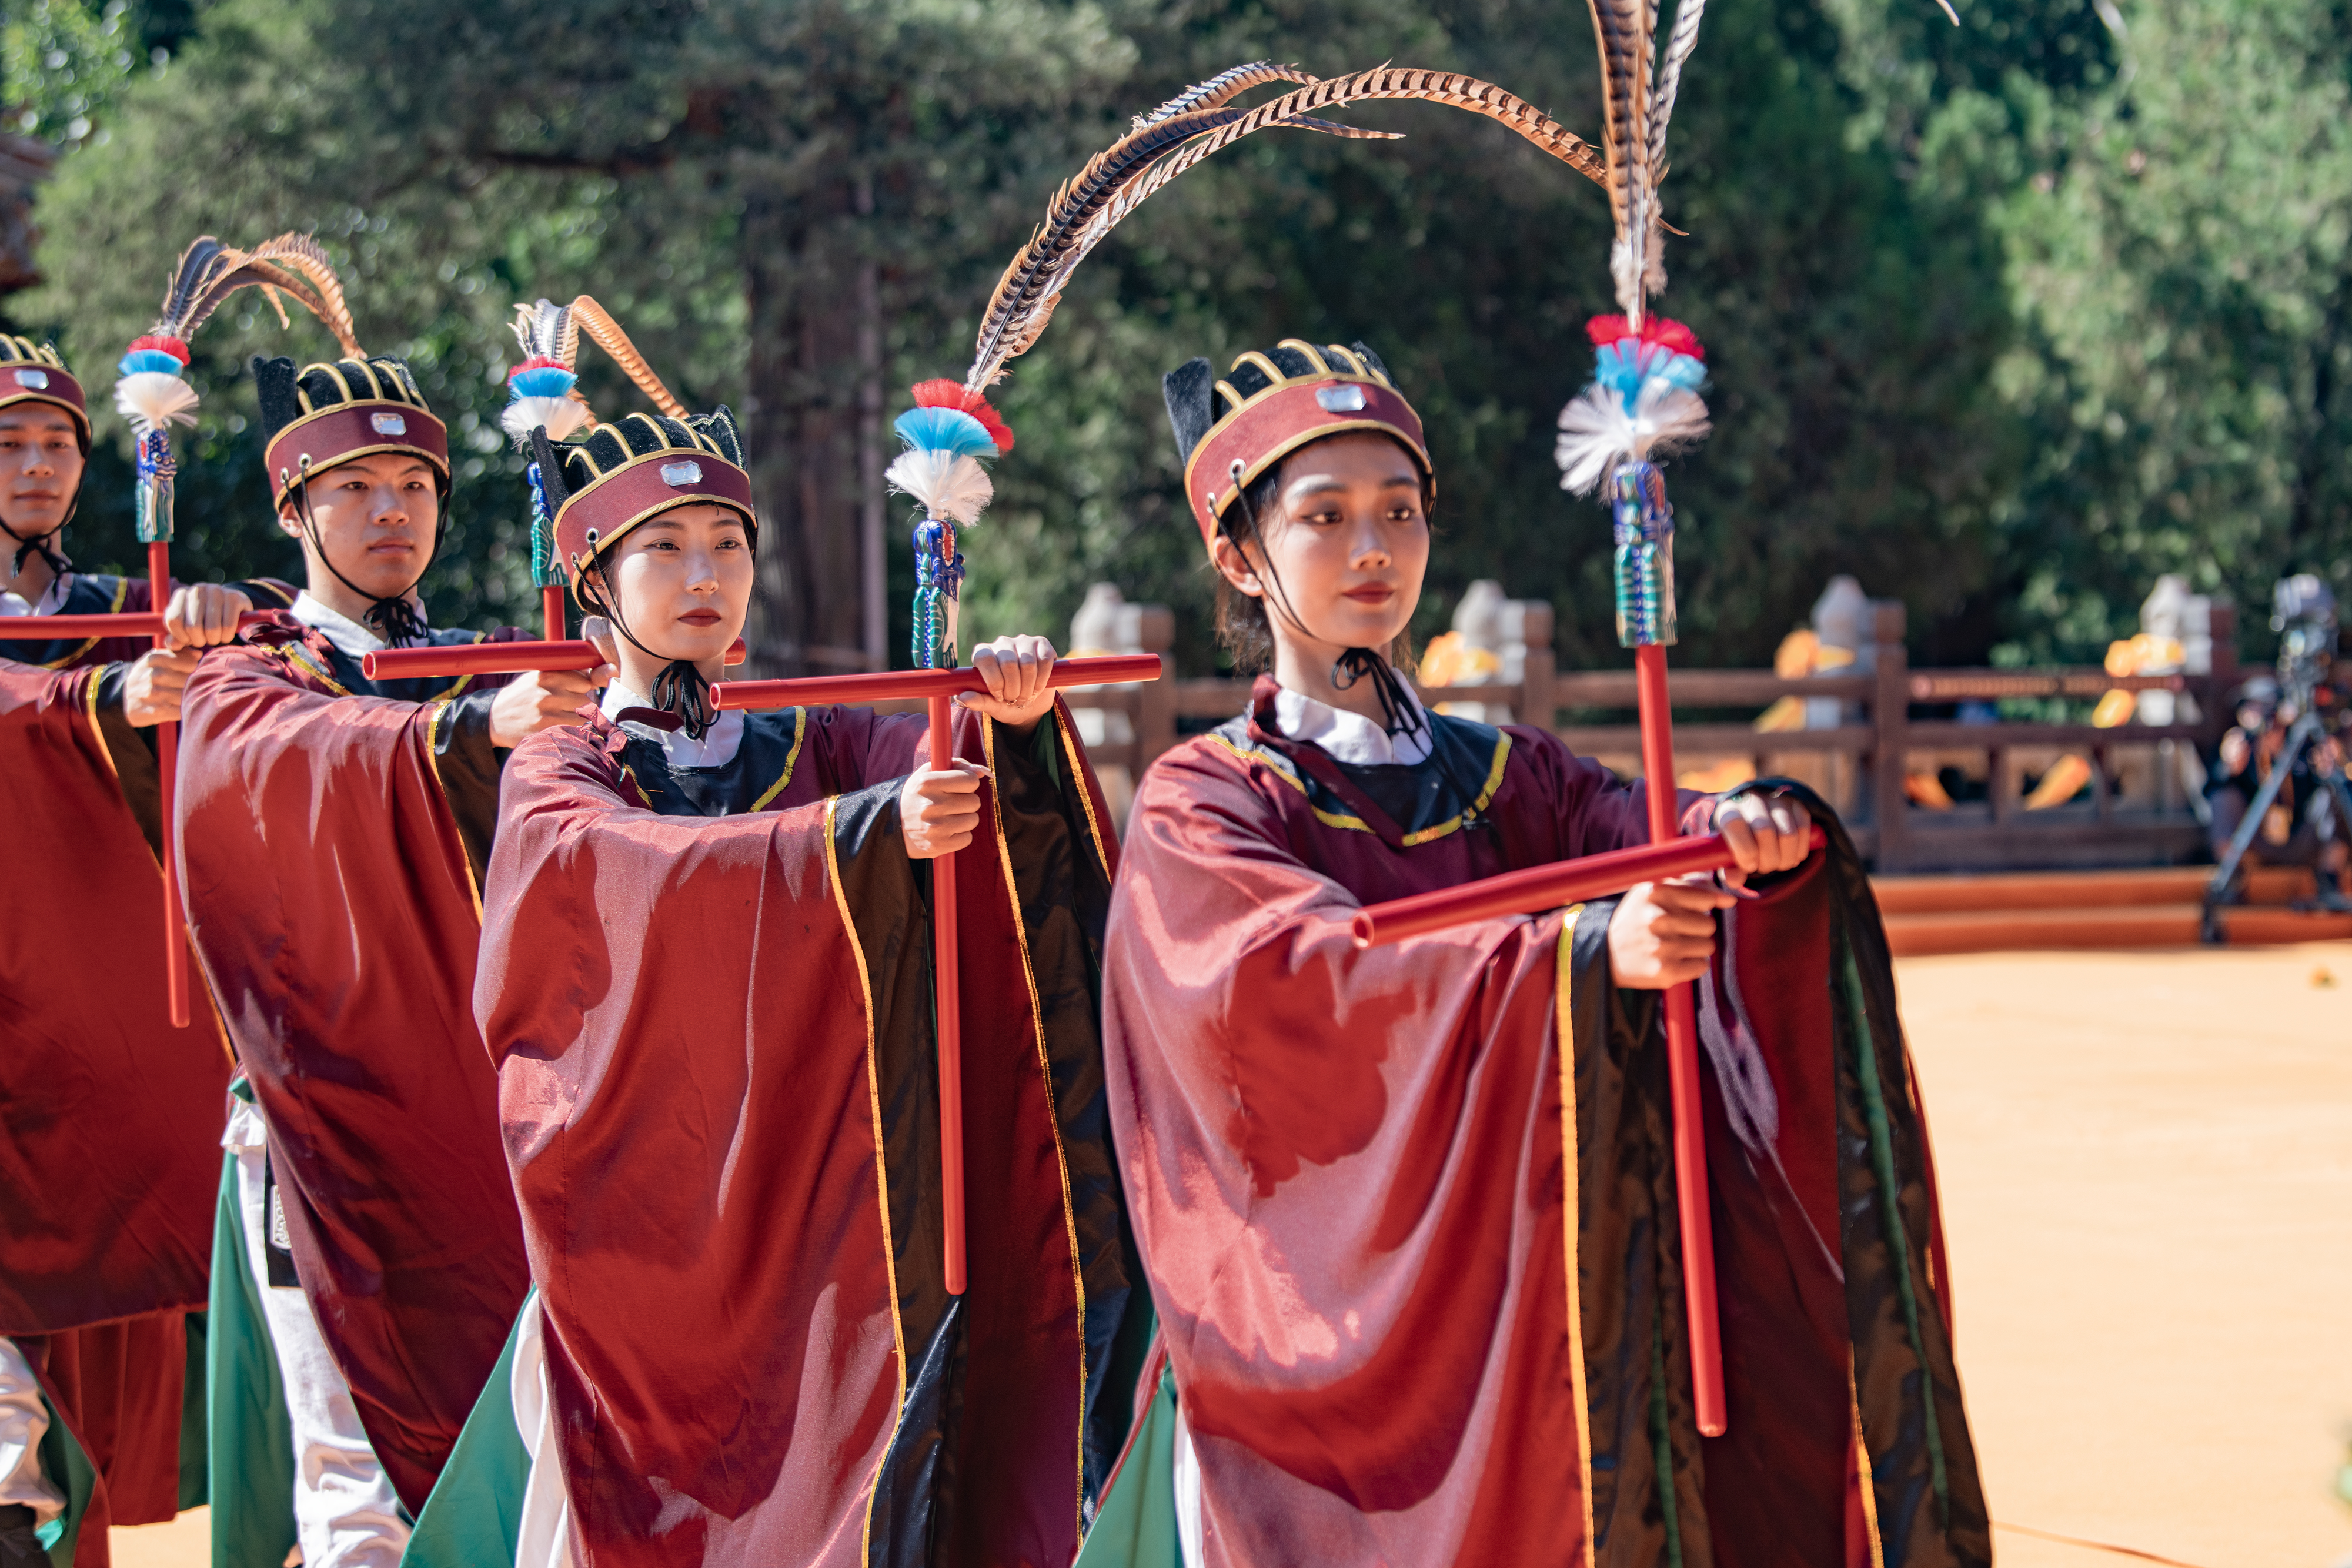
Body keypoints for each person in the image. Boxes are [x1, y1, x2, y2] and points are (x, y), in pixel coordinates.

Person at [1086, 340, 1986, 1566]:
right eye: (1324, 516)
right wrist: (1572, 957)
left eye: (1398, 511)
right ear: (1239, 556)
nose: (1371, 549)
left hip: (1547, 1282)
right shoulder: (1205, 802)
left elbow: (1632, 828)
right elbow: (1292, 978)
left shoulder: (1502, 771)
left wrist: (1729, 834)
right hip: (1342, 1309)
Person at [434, 396, 1140, 1567]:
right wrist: (860, 839)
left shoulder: (816, 740)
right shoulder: (565, 770)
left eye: (727, 544)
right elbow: (620, 874)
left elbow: (933, 761)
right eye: (663, 548)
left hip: (832, 1237)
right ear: (595, 581)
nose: (705, 572)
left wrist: (1005, 725)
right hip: (650, 1232)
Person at [174, 349, 607, 1568]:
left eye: (412, 486)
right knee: (355, 1485)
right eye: (356, 487)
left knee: (535, 1447)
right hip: (326, 1136)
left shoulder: (494, 661)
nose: (389, 513)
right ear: (295, 507)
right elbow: (284, 755)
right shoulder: (254, 675)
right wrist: (469, 732)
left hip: (494, 1120)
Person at [0, 333, 268, 1564]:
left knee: (99, 1369)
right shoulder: (103, 664)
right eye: (10, 444)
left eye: (58, 443)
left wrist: (220, 626)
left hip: (89, 1025)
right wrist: (95, 702)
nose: (39, 466)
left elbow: (268, 694)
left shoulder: (127, 618)